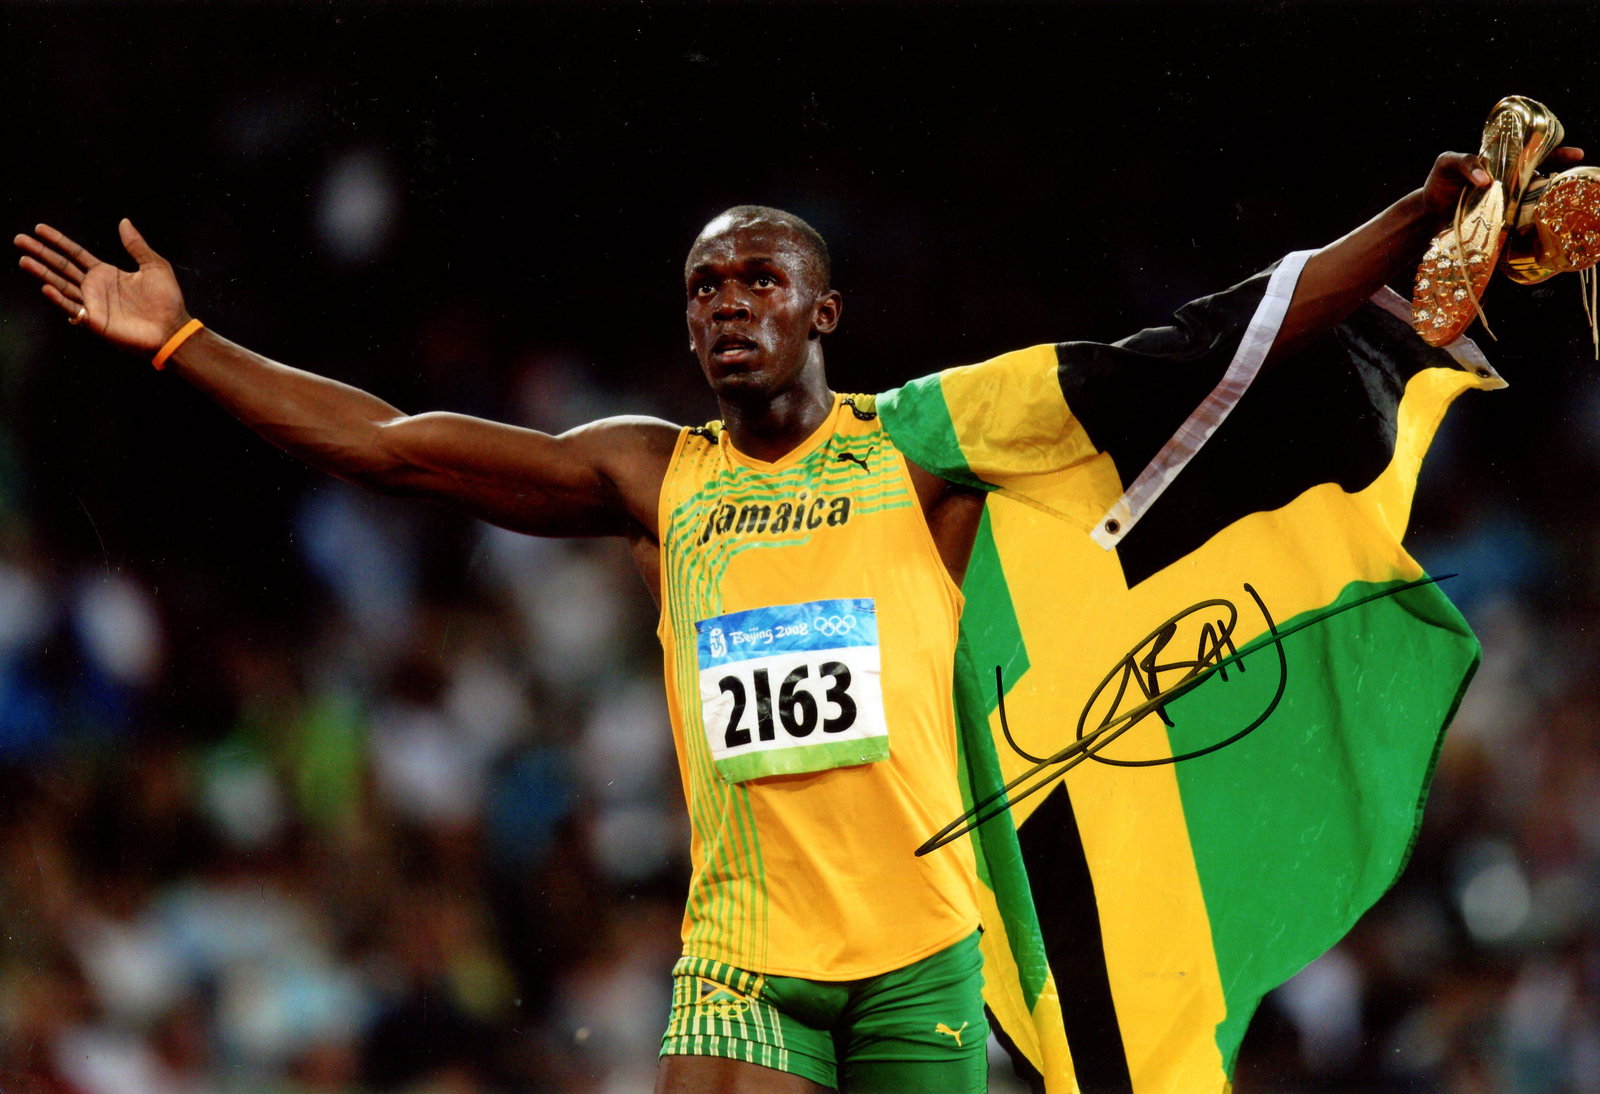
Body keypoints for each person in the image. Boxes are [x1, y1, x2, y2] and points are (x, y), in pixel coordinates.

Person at [12, 145, 1576, 1093]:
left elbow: (1193, 347)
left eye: (757, 279)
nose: (724, 306)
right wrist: (186, 342)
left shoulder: (924, 440)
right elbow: (395, 445)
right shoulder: (653, 474)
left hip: (925, 957)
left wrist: (1403, 224)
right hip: (746, 955)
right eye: (703, 289)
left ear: (824, 310)